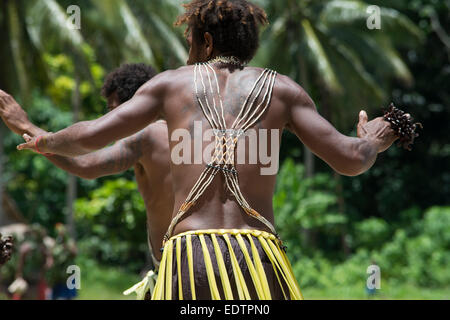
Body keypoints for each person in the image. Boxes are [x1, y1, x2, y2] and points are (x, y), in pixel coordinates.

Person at [3, 0, 399, 300]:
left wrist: (36, 133)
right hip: (258, 259)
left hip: (189, 257)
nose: (188, 51)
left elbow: (91, 137)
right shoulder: (284, 91)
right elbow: (352, 159)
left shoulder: (171, 85)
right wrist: (373, 139)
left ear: (206, 41)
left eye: (190, 40)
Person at [0, 63, 172, 299]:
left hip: (176, 271)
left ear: (135, 106)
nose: (109, 120)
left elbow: (85, 163)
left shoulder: (148, 136)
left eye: (113, 111)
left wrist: (26, 127)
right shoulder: (197, 132)